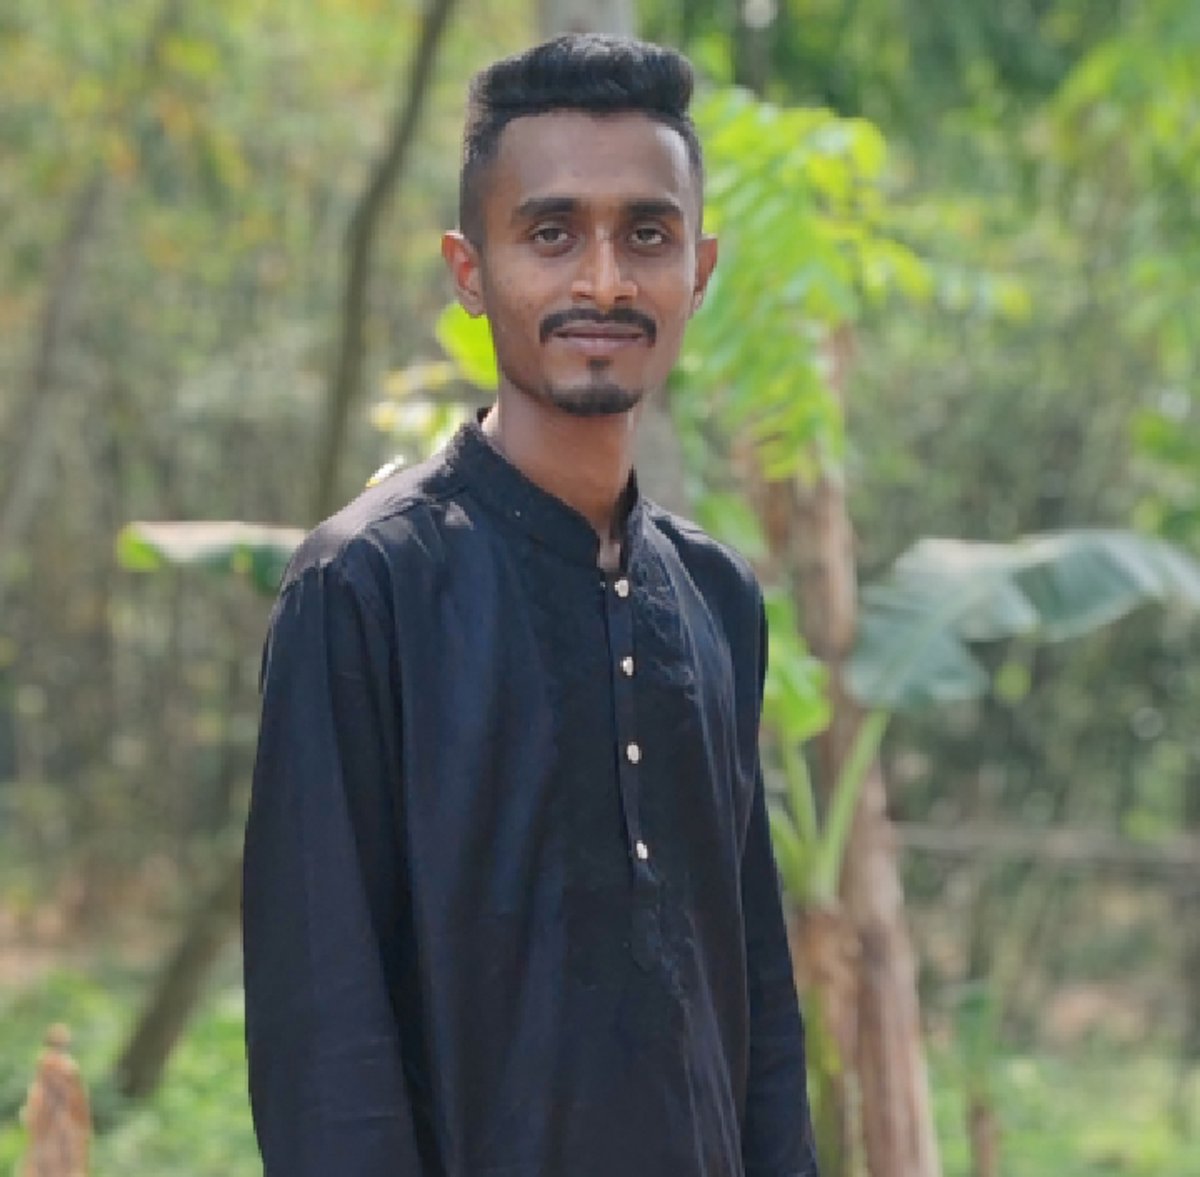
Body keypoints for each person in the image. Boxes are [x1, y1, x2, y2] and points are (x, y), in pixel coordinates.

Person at [243, 33, 818, 1177]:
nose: (603, 281)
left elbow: (755, 1004)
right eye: (552, 234)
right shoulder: (362, 590)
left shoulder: (716, 599)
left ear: (699, 269)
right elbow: (326, 1051)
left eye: (646, 234)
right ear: (469, 271)